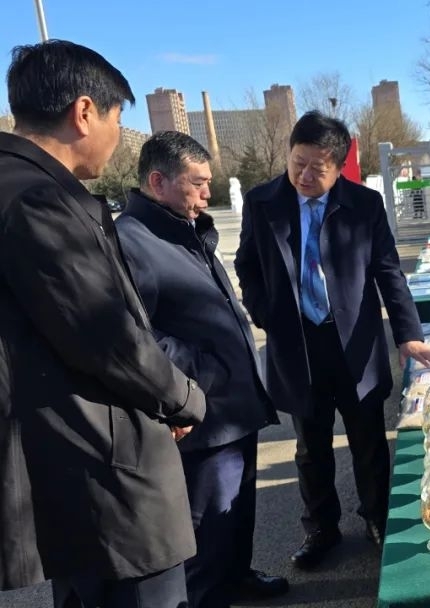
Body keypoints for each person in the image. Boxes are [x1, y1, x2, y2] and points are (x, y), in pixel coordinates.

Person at [0, 41, 206, 606]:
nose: (118, 137)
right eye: (117, 119)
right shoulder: (36, 200)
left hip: (68, 470)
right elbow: (106, 338)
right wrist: (182, 398)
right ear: (85, 112)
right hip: (105, 478)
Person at [234, 111, 430, 569]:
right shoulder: (262, 202)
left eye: (318, 168)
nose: (305, 176)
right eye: (298, 163)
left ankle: (377, 517)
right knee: (311, 447)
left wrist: (408, 334)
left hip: (354, 344)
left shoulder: (364, 205)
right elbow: (247, 265)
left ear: (339, 166)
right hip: (297, 344)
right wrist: (266, 313)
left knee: (369, 441)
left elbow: (388, 271)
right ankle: (321, 529)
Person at [114, 131, 288, 607]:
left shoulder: (186, 228)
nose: (208, 193)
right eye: (198, 183)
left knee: (237, 513)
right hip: (204, 416)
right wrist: (206, 371)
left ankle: (238, 576)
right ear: (158, 182)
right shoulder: (132, 242)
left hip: (235, 407)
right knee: (208, 531)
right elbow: (138, 337)